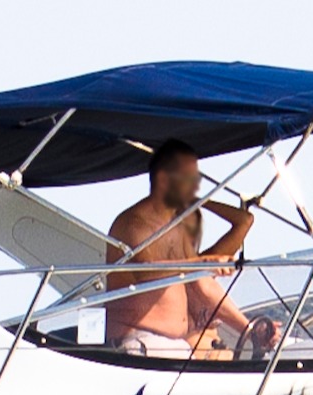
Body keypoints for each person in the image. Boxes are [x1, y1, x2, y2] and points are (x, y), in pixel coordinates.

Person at [100, 146, 265, 356]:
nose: (196, 185)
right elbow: (146, 272)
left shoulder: (178, 226)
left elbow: (200, 281)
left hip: (174, 346)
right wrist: (204, 262)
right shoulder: (133, 224)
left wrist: (249, 330)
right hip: (141, 343)